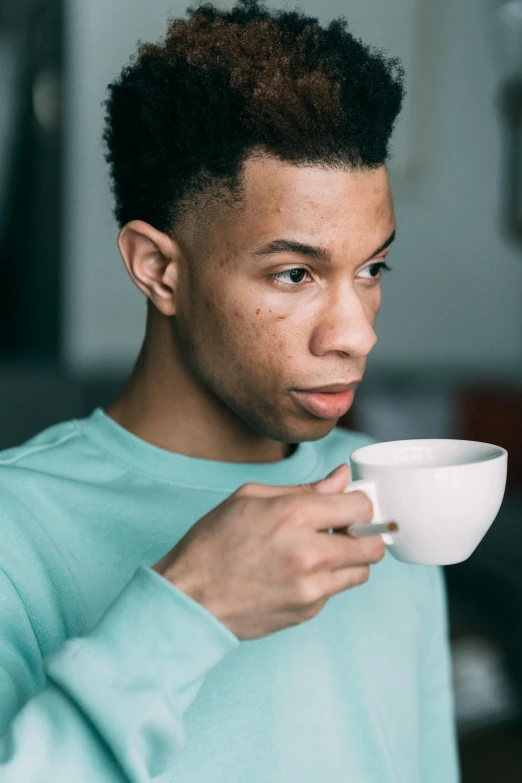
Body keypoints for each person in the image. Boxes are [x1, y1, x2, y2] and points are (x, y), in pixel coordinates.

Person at [0, 0, 459, 779]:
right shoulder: (17, 532)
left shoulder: (391, 497)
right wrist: (187, 608)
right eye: (295, 274)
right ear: (158, 268)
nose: (356, 334)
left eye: (372, 269)